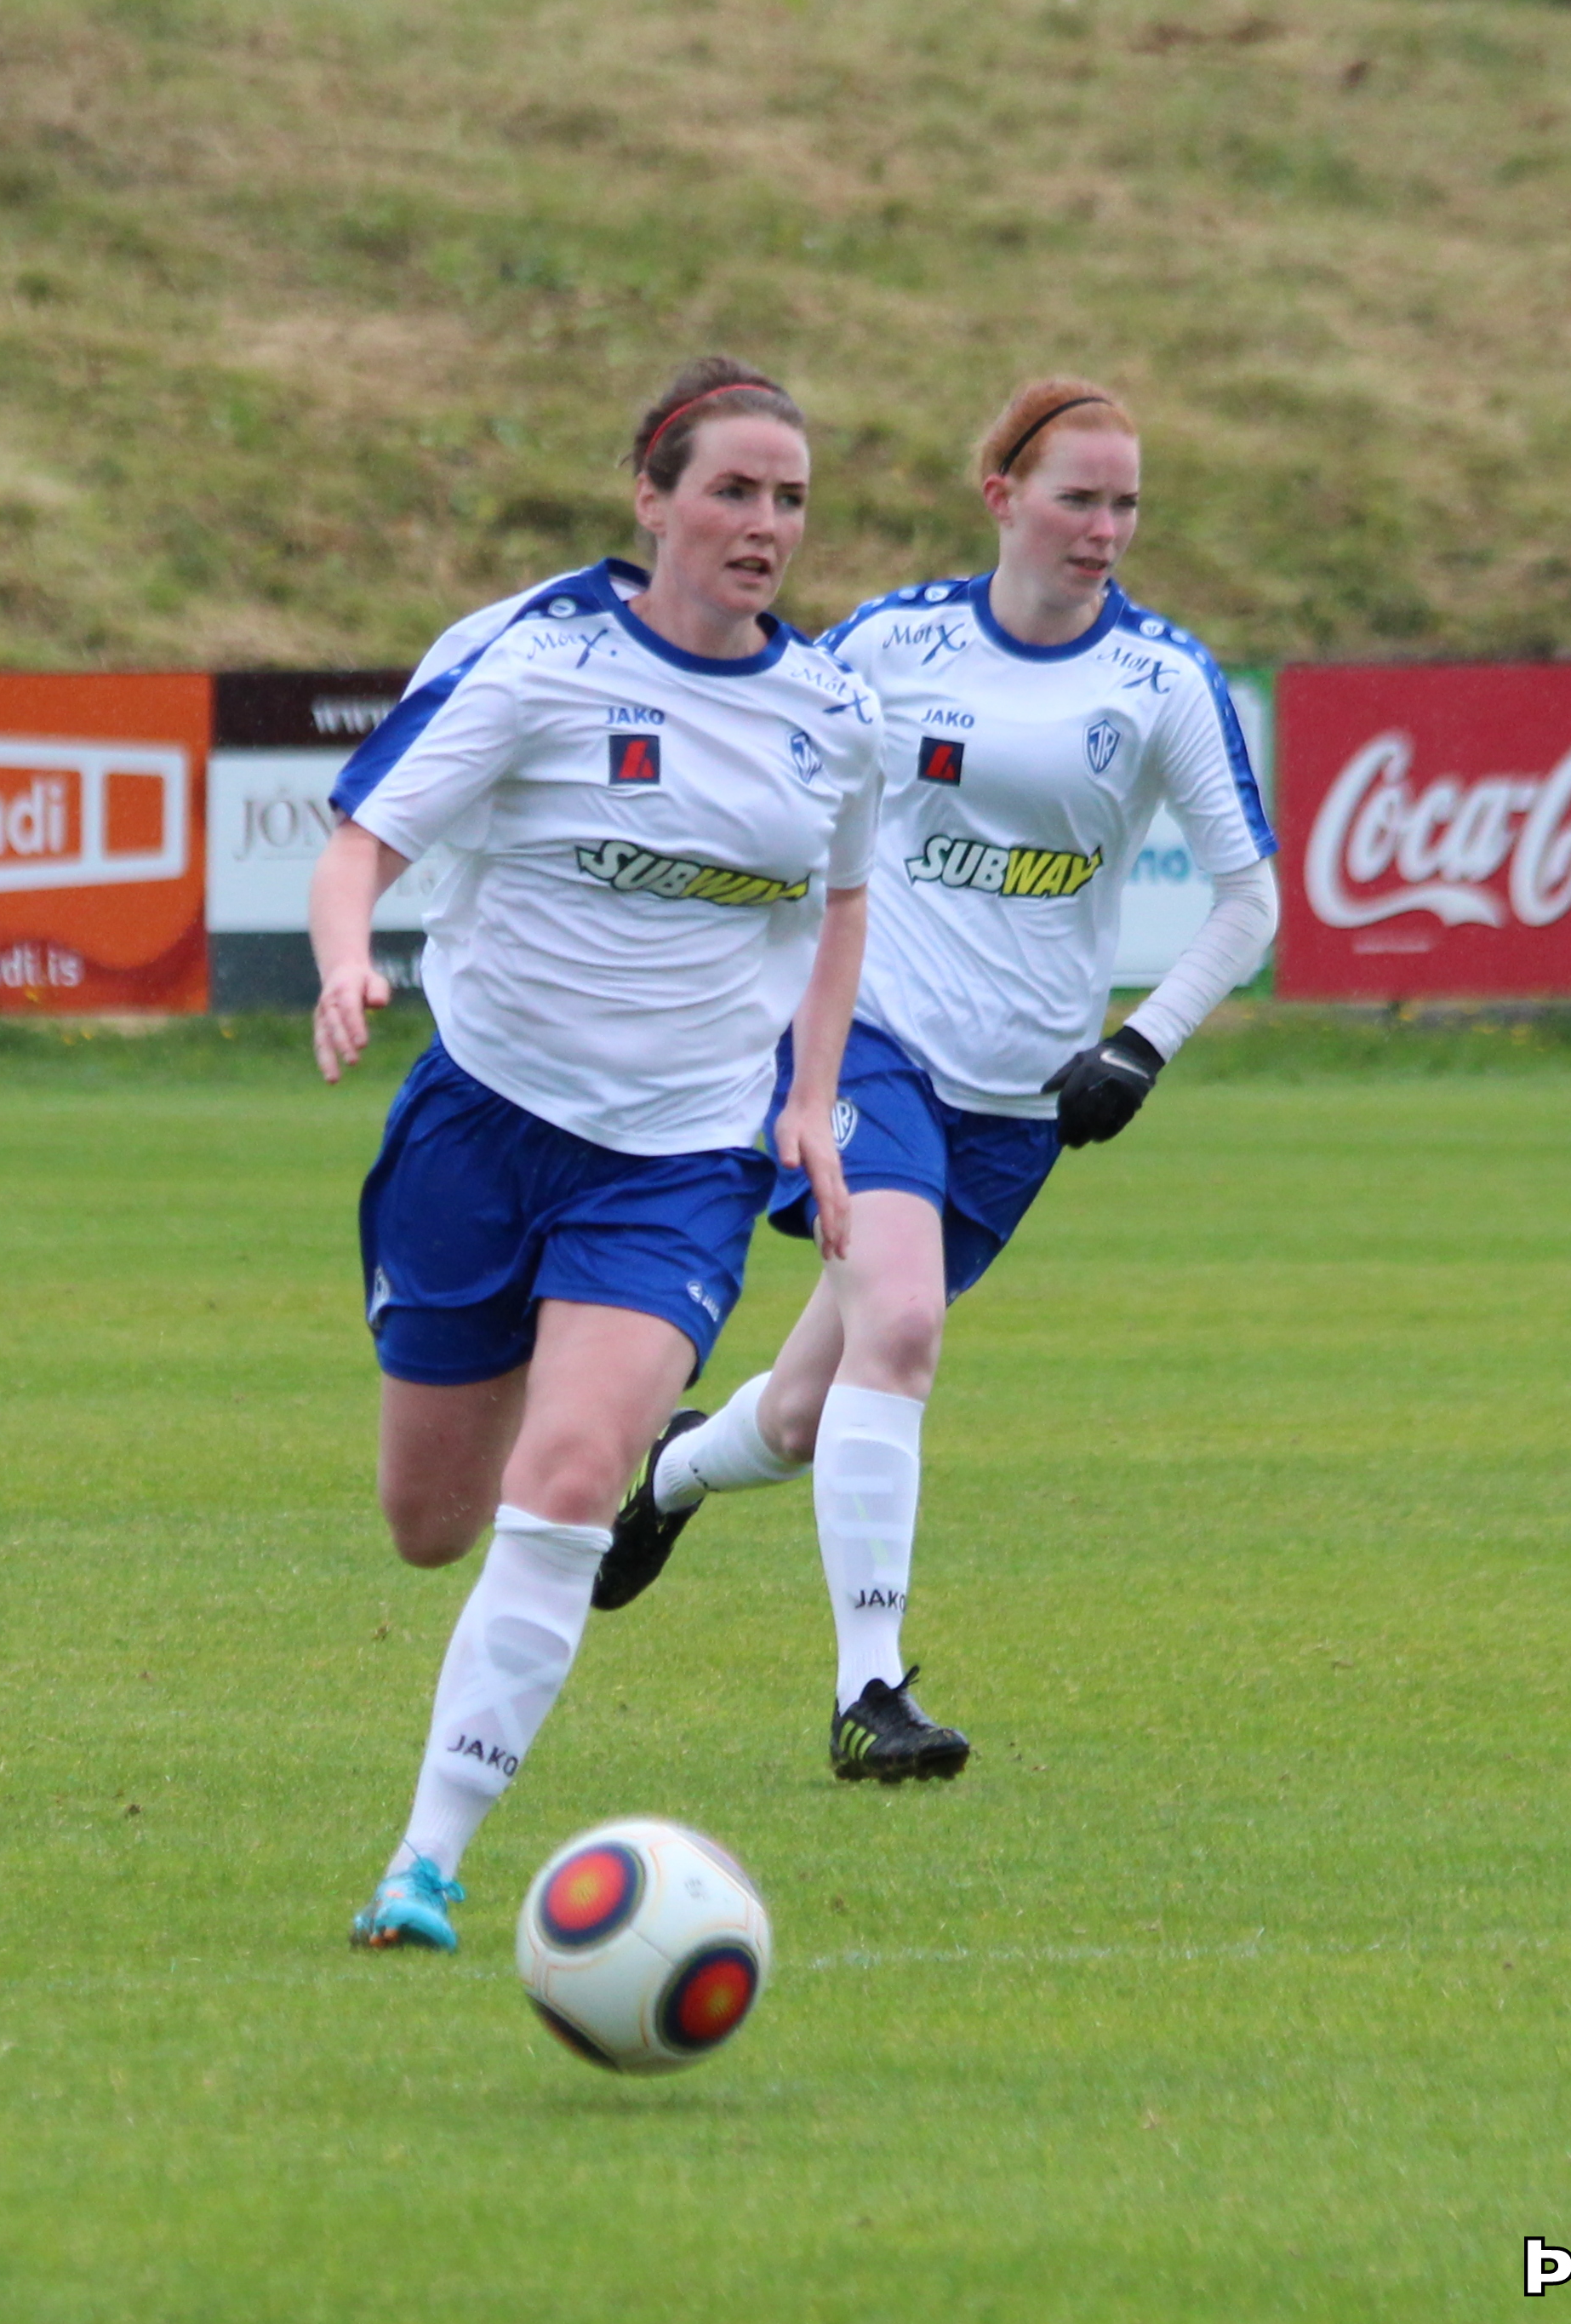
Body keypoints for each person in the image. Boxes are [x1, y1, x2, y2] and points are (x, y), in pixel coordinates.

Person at [597, 376, 1279, 1782]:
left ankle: (668, 1473)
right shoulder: (894, 642)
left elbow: (1250, 899)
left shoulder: (1161, 680)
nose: (1104, 529)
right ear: (1002, 495)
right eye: (1077, 498)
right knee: (902, 1322)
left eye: (1126, 504)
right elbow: (764, 754)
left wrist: (1142, 1042)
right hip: (872, 1040)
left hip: (1022, 1099)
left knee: (806, 1413)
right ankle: (870, 1694)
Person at [316, 358, 883, 1952]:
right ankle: (544, 1395)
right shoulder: (537, 662)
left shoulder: (835, 714)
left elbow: (843, 903)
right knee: (431, 1521)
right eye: (732, 491)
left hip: (678, 1162)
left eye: (789, 499)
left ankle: (424, 1863)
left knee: (568, 1481)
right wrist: (347, 960)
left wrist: (808, 1098)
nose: (765, 524)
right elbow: (363, 839)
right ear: (652, 498)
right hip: (483, 1124)